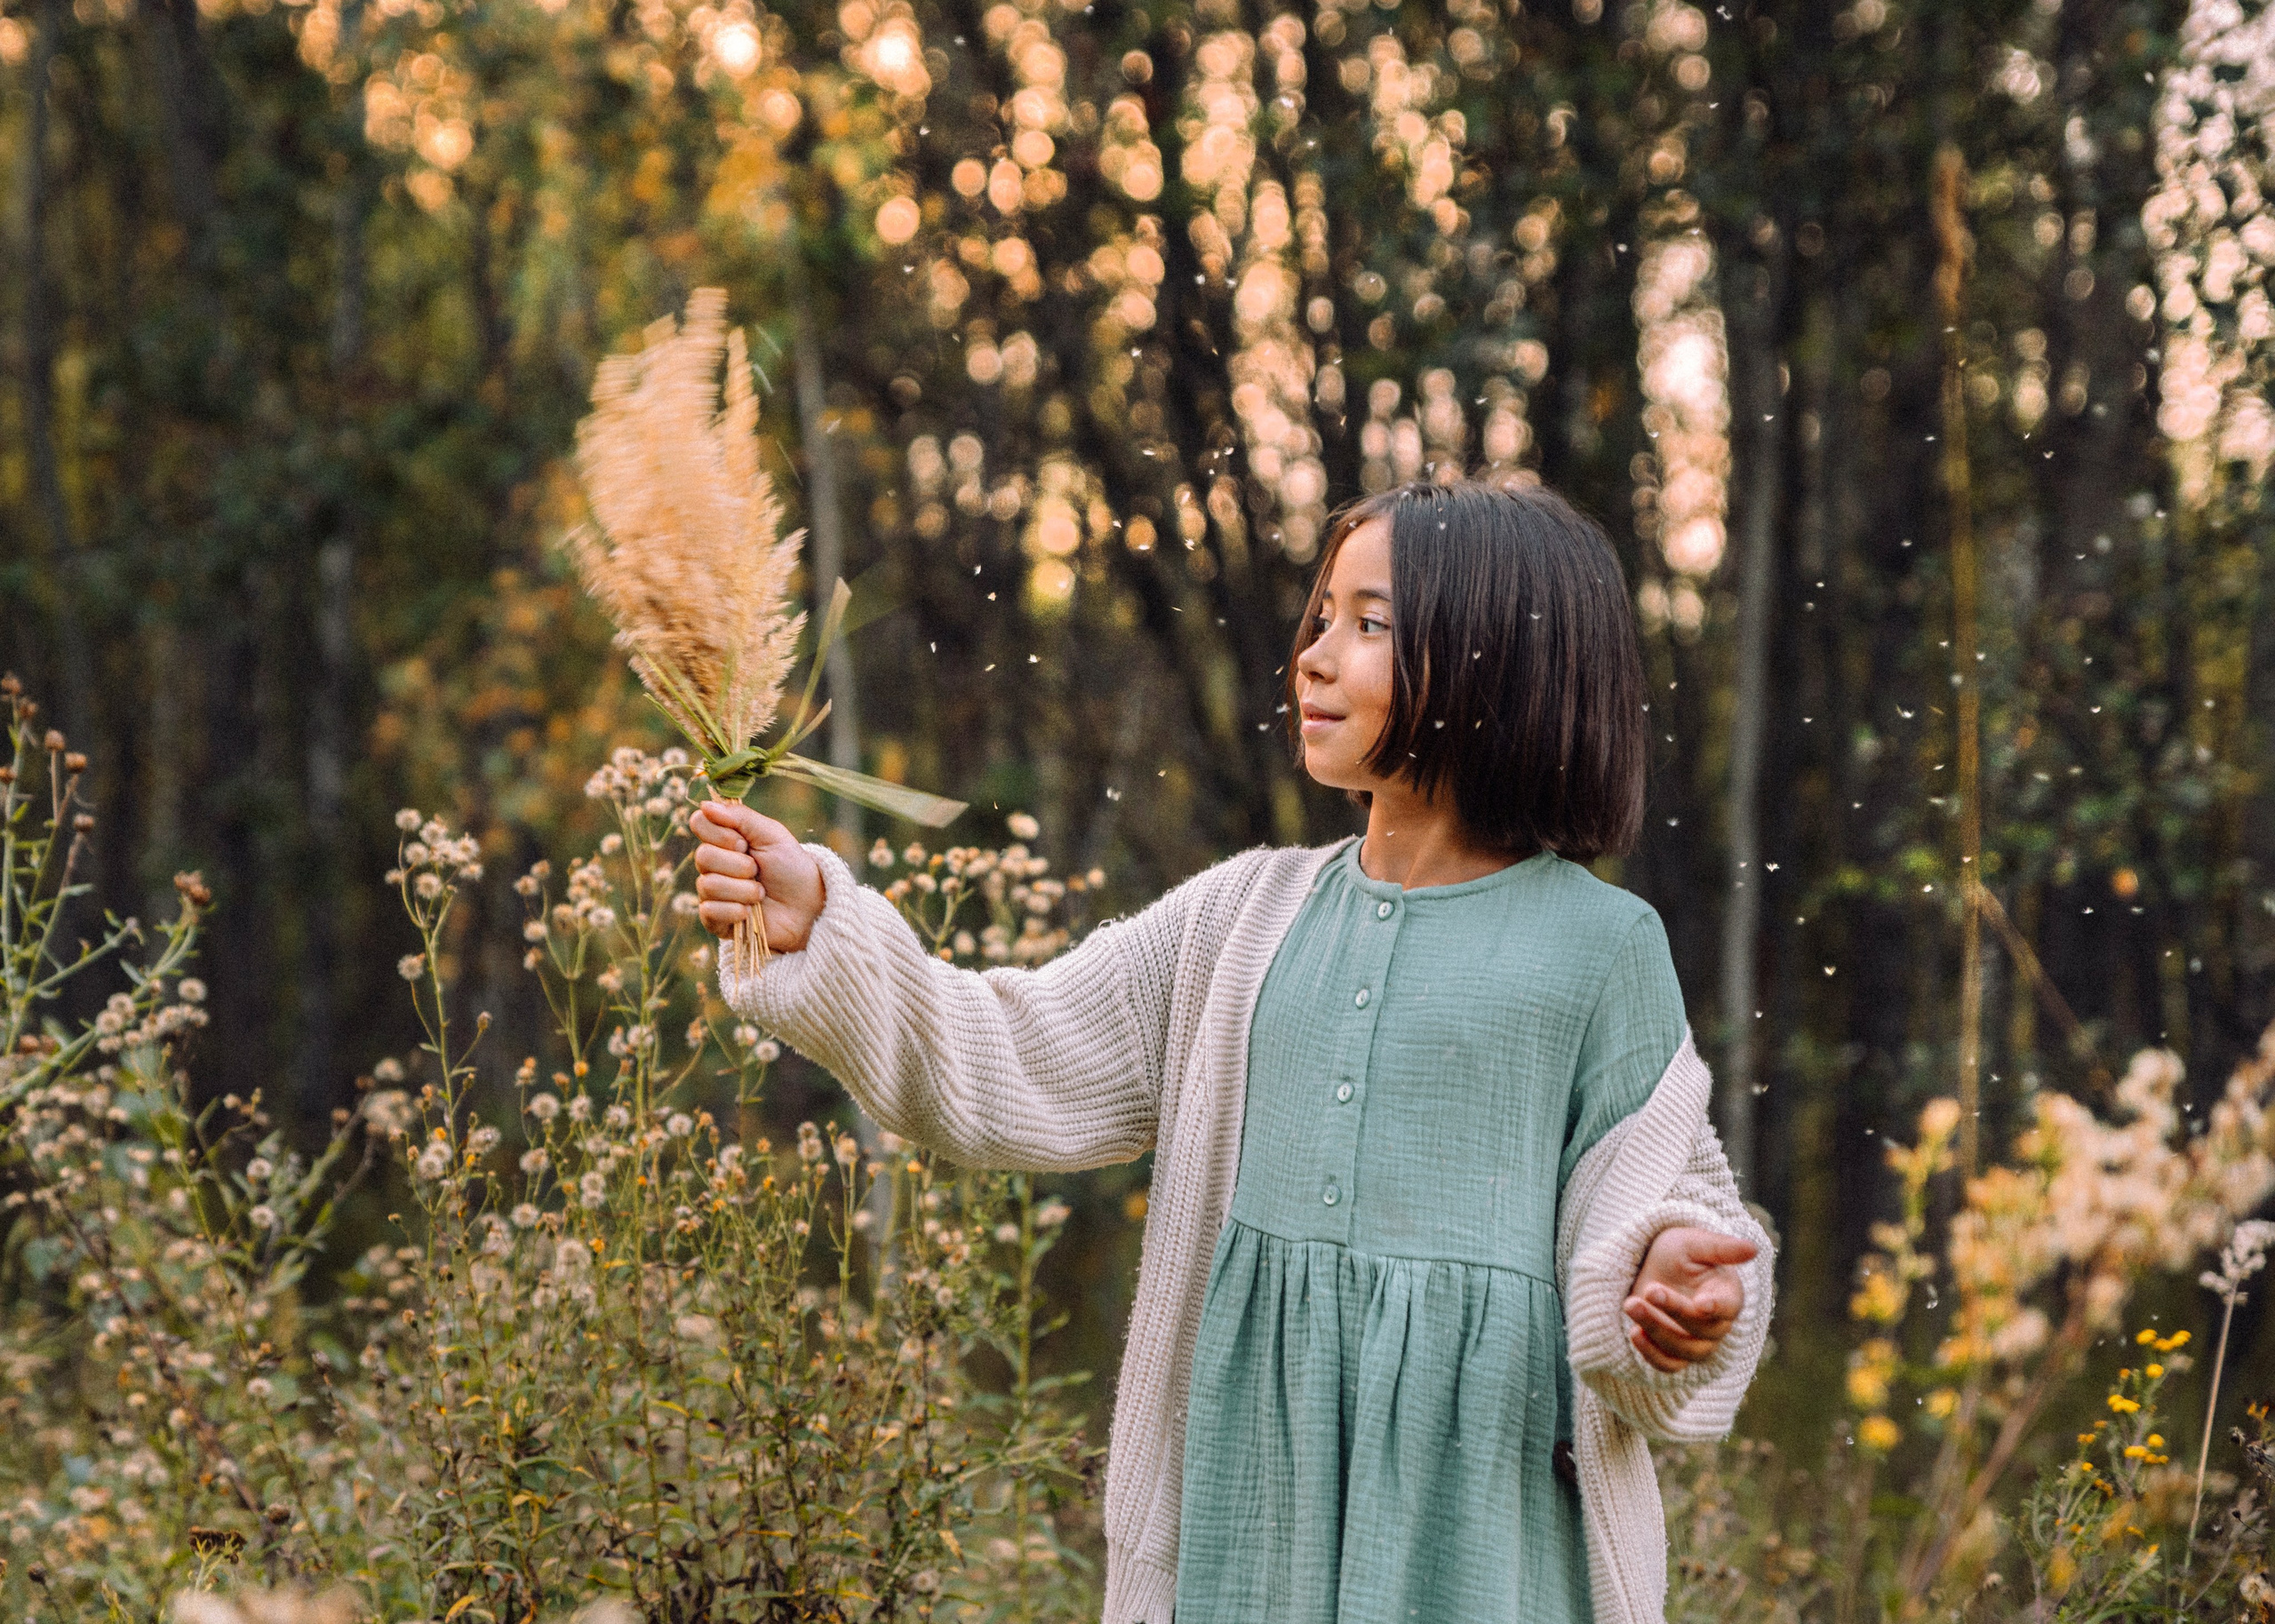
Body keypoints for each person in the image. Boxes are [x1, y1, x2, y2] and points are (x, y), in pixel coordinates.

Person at [690, 477, 1775, 1624]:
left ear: (1495, 661)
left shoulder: (1600, 950)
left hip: (1485, 1545)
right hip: (1246, 1528)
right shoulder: (1238, 923)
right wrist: (830, 928)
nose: (1312, 655)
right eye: (1320, 618)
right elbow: (1002, 1057)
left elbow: (1672, 1214)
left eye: (1370, 625)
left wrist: (1670, 1290)